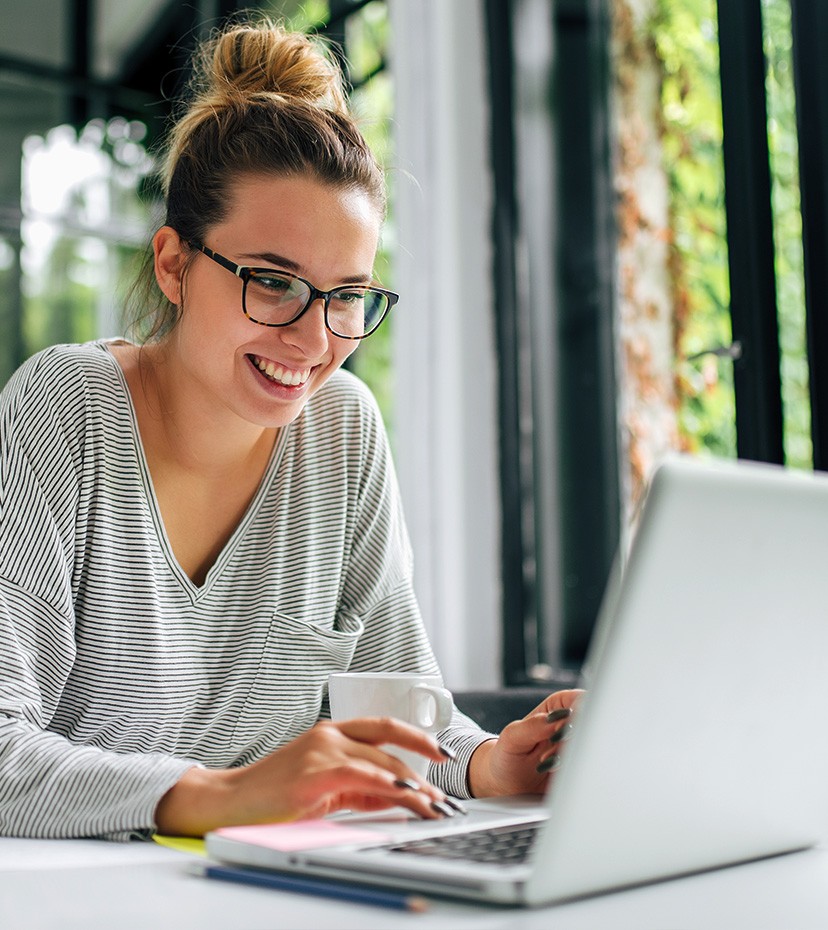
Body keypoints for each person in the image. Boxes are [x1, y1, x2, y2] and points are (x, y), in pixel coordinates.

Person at [0, 18, 579, 840]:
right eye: (273, 283)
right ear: (174, 265)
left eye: (346, 295)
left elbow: (401, 715)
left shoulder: (343, 431)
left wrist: (493, 765)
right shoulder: (68, 408)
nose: (314, 343)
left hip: (274, 890)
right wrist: (222, 795)